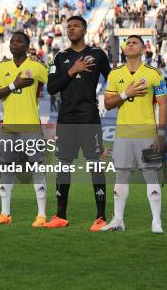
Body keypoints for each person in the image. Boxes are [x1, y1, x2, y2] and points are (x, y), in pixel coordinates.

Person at [43, 16, 111, 231]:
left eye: (76, 26)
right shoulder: (60, 57)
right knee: (63, 165)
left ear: (85, 29)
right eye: (68, 26)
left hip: (89, 117)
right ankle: (60, 215)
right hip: (66, 119)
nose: (71, 29)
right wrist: (73, 69)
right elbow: (52, 88)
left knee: (95, 166)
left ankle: (100, 217)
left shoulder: (98, 54)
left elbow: (114, 79)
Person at [101, 35, 167, 234]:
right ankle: (118, 220)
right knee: (121, 174)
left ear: (143, 48)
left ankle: (156, 221)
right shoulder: (115, 74)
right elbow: (107, 104)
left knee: (151, 174)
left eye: (134, 42)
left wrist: (161, 134)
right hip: (123, 133)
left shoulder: (154, 74)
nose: (129, 45)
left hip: (147, 133)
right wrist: (125, 94)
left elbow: (163, 104)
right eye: (127, 43)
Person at [0, 32, 49, 227]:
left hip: (30, 126)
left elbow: (55, 84)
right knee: (6, 169)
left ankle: (41, 215)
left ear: (27, 45)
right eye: (12, 41)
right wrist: (15, 84)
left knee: (37, 168)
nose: (14, 43)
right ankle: (5, 213)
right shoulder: (2, 67)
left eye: (18, 41)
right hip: (9, 129)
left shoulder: (37, 67)